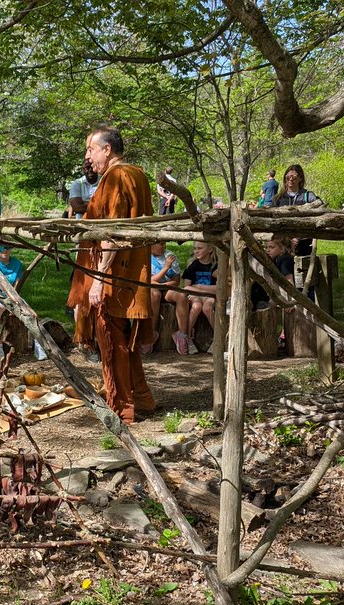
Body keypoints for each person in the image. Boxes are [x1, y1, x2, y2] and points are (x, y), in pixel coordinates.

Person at [68, 126, 157, 424]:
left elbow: (113, 233)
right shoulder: (138, 174)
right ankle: (141, 398)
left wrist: (99, 279)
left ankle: (120, 408)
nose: (87, 156)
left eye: (90, 149)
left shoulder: (117, 176)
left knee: (112, 341)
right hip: (129, 275)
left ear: (107, 150)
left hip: (114, 277)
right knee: (125, 342)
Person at [0, 243, 46, 360]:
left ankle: (39, 345)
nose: (4, 250)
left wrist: (13, 301)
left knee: (33, 315)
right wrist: (4, 301)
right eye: (0, 248)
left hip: (14, 297)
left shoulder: (16, 263)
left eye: (7, 247)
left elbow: (17, 285)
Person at [167, 241, 218, 356]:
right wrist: (204, 290)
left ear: (210, 250)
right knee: (196, 306)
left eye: (200, 248)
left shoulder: (216, 266)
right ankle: (187, 337)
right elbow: (187, 288)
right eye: (195, 248)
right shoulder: (192, 266)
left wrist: (199, 287)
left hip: (208, 295)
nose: (196, 251)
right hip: (195, 295)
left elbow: (219, 288)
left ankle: (219, 337)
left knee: (207, 307)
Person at [141, 241, 181, 353]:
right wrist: (166, 267)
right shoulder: (145, 258)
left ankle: (183, 334)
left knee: (181, 296)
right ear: (151, 245)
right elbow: (149, 280)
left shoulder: (170, 256)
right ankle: (151, 333)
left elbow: (176, 281)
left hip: (167, 288)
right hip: (152, 290)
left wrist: (162, 285)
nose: (164, 246)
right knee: (155, 295)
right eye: (161, 244)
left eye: (164, 243)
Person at [271, 164, 320, 256]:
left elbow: (316, 220)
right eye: (288, 177)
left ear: (300, 178)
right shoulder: (278, 199)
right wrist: (287, 239)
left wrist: (298, 238)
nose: (290, 179)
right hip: (282, 244)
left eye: (294, 177)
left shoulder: (308, 196)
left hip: (303, 243)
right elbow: (273, 222)